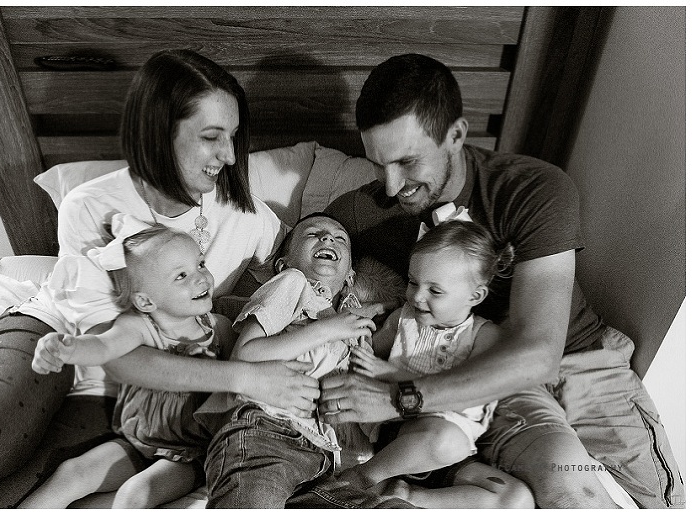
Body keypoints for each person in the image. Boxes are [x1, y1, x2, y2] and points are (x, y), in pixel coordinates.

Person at [0, 49, 319, 509]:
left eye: (233, 137)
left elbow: (296, 273)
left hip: (134, 393)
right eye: (212, 137)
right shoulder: (91, 206)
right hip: (61, 334)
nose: (230, 156)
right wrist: (246, 376)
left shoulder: (247, 215)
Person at [320, 53, 684, 509]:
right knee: (569, 487)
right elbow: (299, 259)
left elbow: (539, 354)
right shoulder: (365, 211)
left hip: (576, 363)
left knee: (632, 500)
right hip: (472, 382)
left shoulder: (531, 190)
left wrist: (399, 399)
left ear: (456, 135)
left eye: (408, 162)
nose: (392, 186)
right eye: (377, 164)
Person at [198, 213, 533, 509]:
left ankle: (402, 494)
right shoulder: (292, 283)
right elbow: (246, 354)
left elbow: (370, 356)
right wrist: (330, 329)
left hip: (327, 455)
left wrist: (363, 322)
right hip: (269, 427)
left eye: (340, 238)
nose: (327, 238)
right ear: (283, 264)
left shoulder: (353, 318)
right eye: (312, 233)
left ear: (350, 276)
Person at [20, 216, 234, 508]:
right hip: (139, 441)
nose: (201, 278)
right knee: (72, 473)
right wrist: (66, 348)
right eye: (181, 276)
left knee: (134, 494)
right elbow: (102, 346)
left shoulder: (220, 329)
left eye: (200, 264)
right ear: (146, 301)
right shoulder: (139, 326)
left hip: (191, 455)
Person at [342, 220, 518, 500]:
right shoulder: (403, 320)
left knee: (514, 497)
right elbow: (365, 354)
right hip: (403, 433)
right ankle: (362, 477)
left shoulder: (485, 336)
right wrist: (360, 333)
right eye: (413, 282)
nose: (417, 296)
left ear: (475, 296)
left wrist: (390, 372)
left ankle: (407, 497)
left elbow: (467, 395)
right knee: (448, 442)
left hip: (454, 453)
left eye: (435, 291)